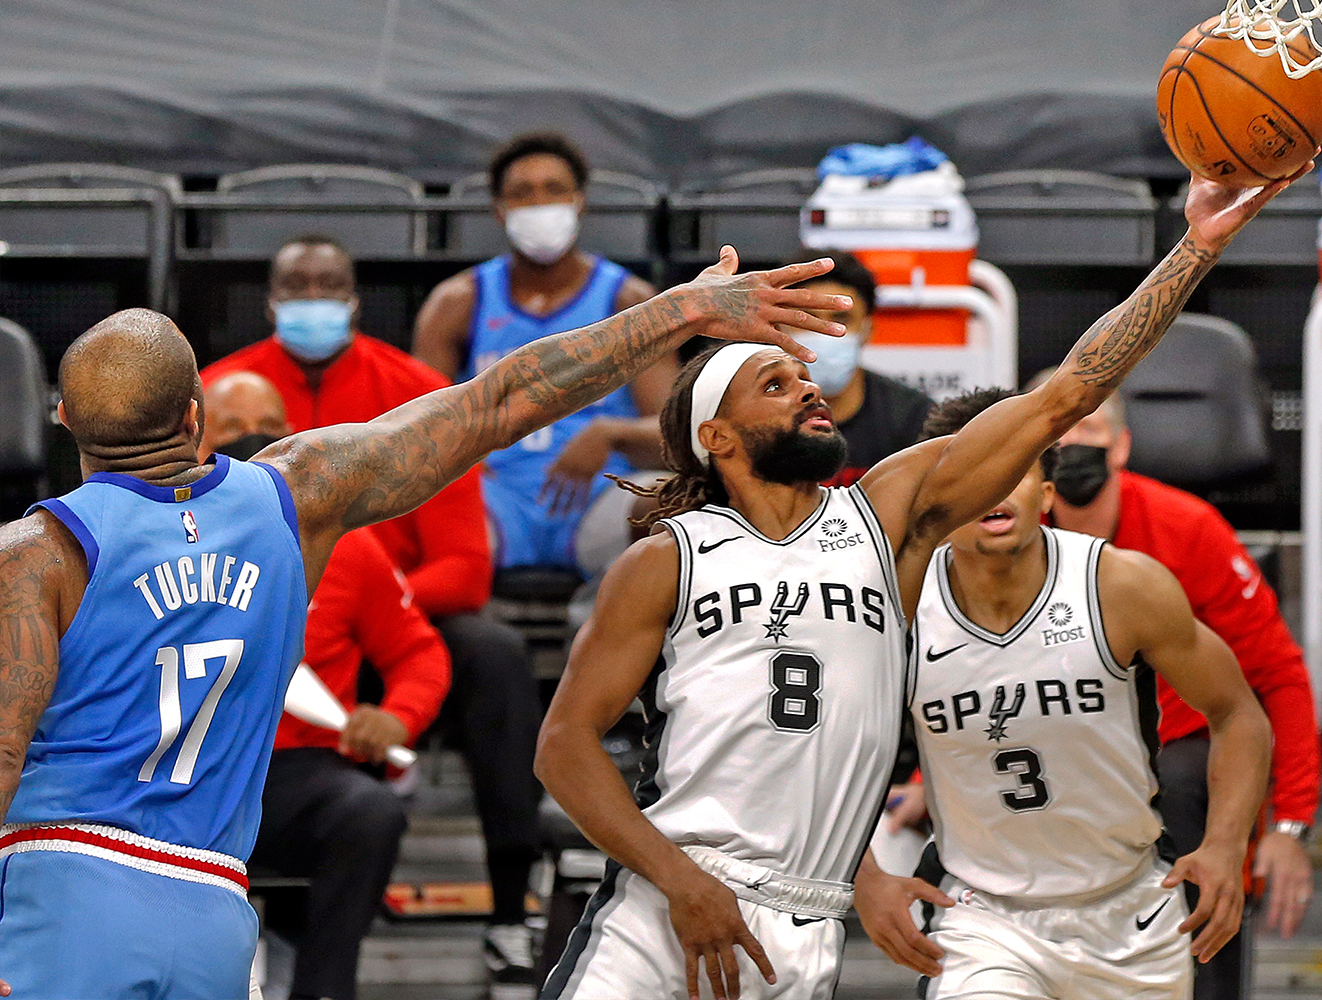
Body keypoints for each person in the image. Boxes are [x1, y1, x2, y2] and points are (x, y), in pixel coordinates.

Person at [533, 169, 1307, 1000]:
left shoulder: (879, 523)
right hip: (670, 899)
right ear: (717, 435)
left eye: (805, 377)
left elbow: (1070, 391)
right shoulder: (668, 558)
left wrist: (1195, 248)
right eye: (776, 383)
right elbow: (562, 748)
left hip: (804, 919)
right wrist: (677, 879)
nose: (809, 385)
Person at [0, 247, 850, 999]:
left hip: (63, 884)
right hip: (213, 905)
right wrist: (684, 309)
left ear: (63, 419)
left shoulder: (34, 554)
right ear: (195, 413)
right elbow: (505, 398)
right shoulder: (296, 495)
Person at [200, 234, 547, 985]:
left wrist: (349, 598)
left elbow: (466, 567)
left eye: (329, 283)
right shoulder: (211, 389)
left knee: (492, 654)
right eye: (298, 284)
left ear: (356, 299)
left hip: (367, 610)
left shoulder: (419, 392)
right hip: (227, 636)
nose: (313, 298)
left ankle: (512, 909)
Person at [853, 388, 1273, 1000]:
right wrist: (865, 878)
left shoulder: (1120, 586)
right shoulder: (899, 608)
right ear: (939, 501)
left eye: (1014, 470)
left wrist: (1226, 845)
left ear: (1046, 492)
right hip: (981, 916)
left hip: (1129, 907)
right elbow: (819, 749)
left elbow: (1238, 714)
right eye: (976, 475)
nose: (995, 490)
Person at [1043, 382, 1319, 1000]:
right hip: (1052, 738)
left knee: (1191, 779)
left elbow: (1278, 675)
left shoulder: (1188, 529)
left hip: (1173, 745)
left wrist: (1291, 823)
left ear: (1122, 447)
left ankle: (1206, 977)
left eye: (1088, 431)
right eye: (1056, 434)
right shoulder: (1003, 530)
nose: (1071, 446)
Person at [201, 372, 451, 1000]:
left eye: (269, 427)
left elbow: (420, 652)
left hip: (298, 768)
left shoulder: (349, 547)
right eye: (233, 428)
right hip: (191, 764)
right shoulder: (154, 537)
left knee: (368, 813)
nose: (252, 439)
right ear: (197, 436)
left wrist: (397, 717)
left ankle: (323, 988)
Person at [413, 131, 674, 576]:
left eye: (554, 190)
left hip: (598, 492)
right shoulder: (457, 301)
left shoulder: (628, 300)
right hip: (493, 497)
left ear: (579, 201)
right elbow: (414, 428)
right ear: (499, 209)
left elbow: (674, 433)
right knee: (415, 516)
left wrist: (609, 433)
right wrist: (463, 459)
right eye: (522, 193)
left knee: (673, 505)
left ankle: (614, 629)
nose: (539, 204)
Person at [780, 249, 934, 487]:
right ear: (779, 326)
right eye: (806, 318)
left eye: (841, 319)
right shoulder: (754, 416)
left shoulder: (913, 418)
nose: (824, 330)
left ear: (867, 329)